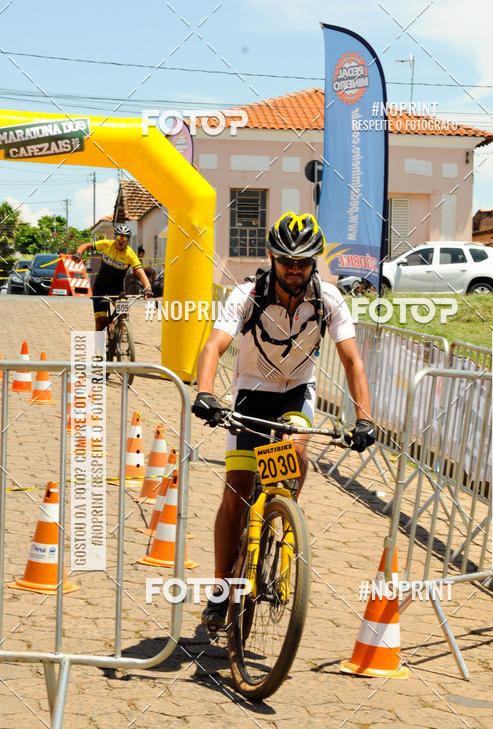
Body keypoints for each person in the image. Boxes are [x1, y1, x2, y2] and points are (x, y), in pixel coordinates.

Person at [192, 210, 376, 628]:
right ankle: (222, 590)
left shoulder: (329, 300)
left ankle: (280, 508)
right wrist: (205, 393)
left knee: (293, 451)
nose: (294, 270)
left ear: (316, 261)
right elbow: (213, 347)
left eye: (304, 262)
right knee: (236, 489)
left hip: (296, 392)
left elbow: (352, 361)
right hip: (250, 394)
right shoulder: (247, 296)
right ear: (273, 257)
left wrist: (365, 419)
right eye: (286, 261)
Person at [73, 224, 152, 331]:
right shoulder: (106, 244)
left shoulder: (130, 255)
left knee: (123, 312)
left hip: (117, 290)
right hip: (100, 288)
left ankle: (116, 333)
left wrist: (148, 288)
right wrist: (78, 253)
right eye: (119, 237)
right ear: (115, 237)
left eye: (125, 238)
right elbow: (86, 245)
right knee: (101, 322)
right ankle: (99, 346)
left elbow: (140, 272)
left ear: (128, 240)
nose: (121, 240)